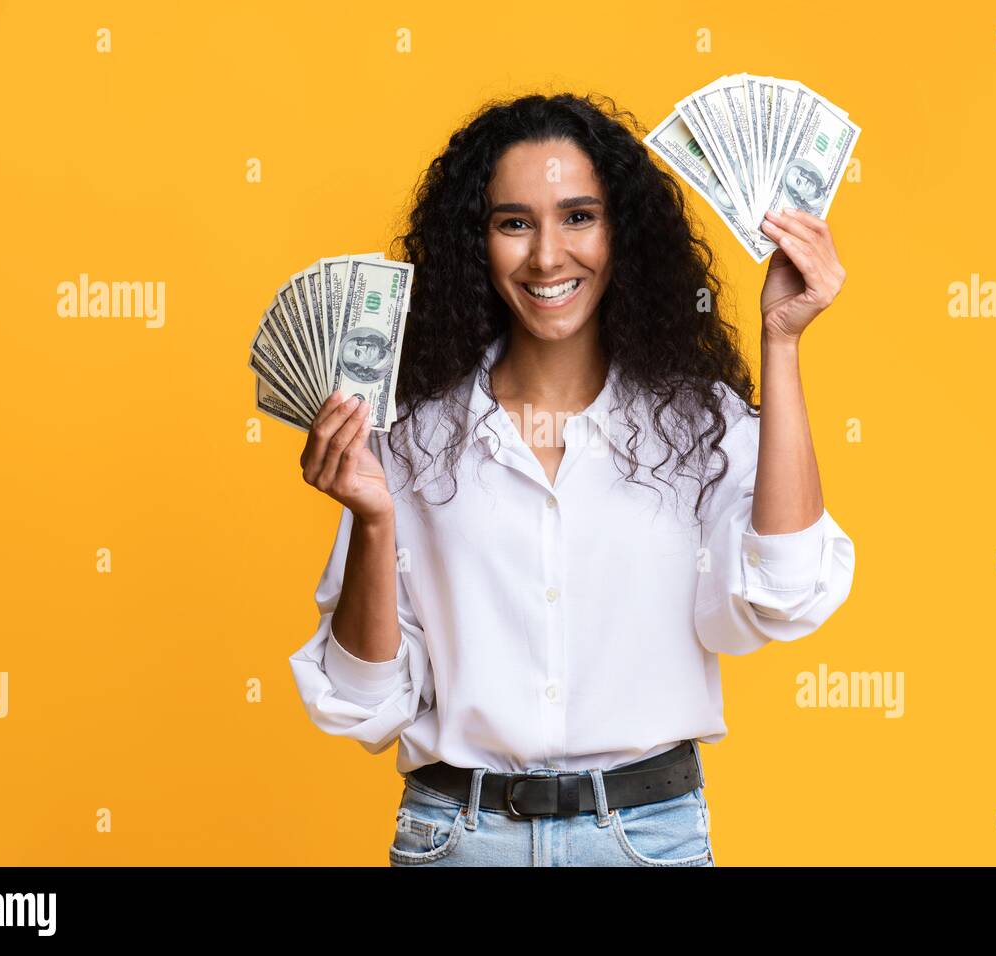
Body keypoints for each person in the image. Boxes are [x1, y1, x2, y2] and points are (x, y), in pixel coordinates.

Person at [288, 92, 856, 867]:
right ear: (475, 244)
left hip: (645, 839)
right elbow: (362, 702)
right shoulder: (408, 438)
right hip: (457, 839)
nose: (548, 256)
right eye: (513, 222)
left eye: (579, 216)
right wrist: (376, 523)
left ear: (623, 233)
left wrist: (781, 343)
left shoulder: (701, 426)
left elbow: (786, 591)